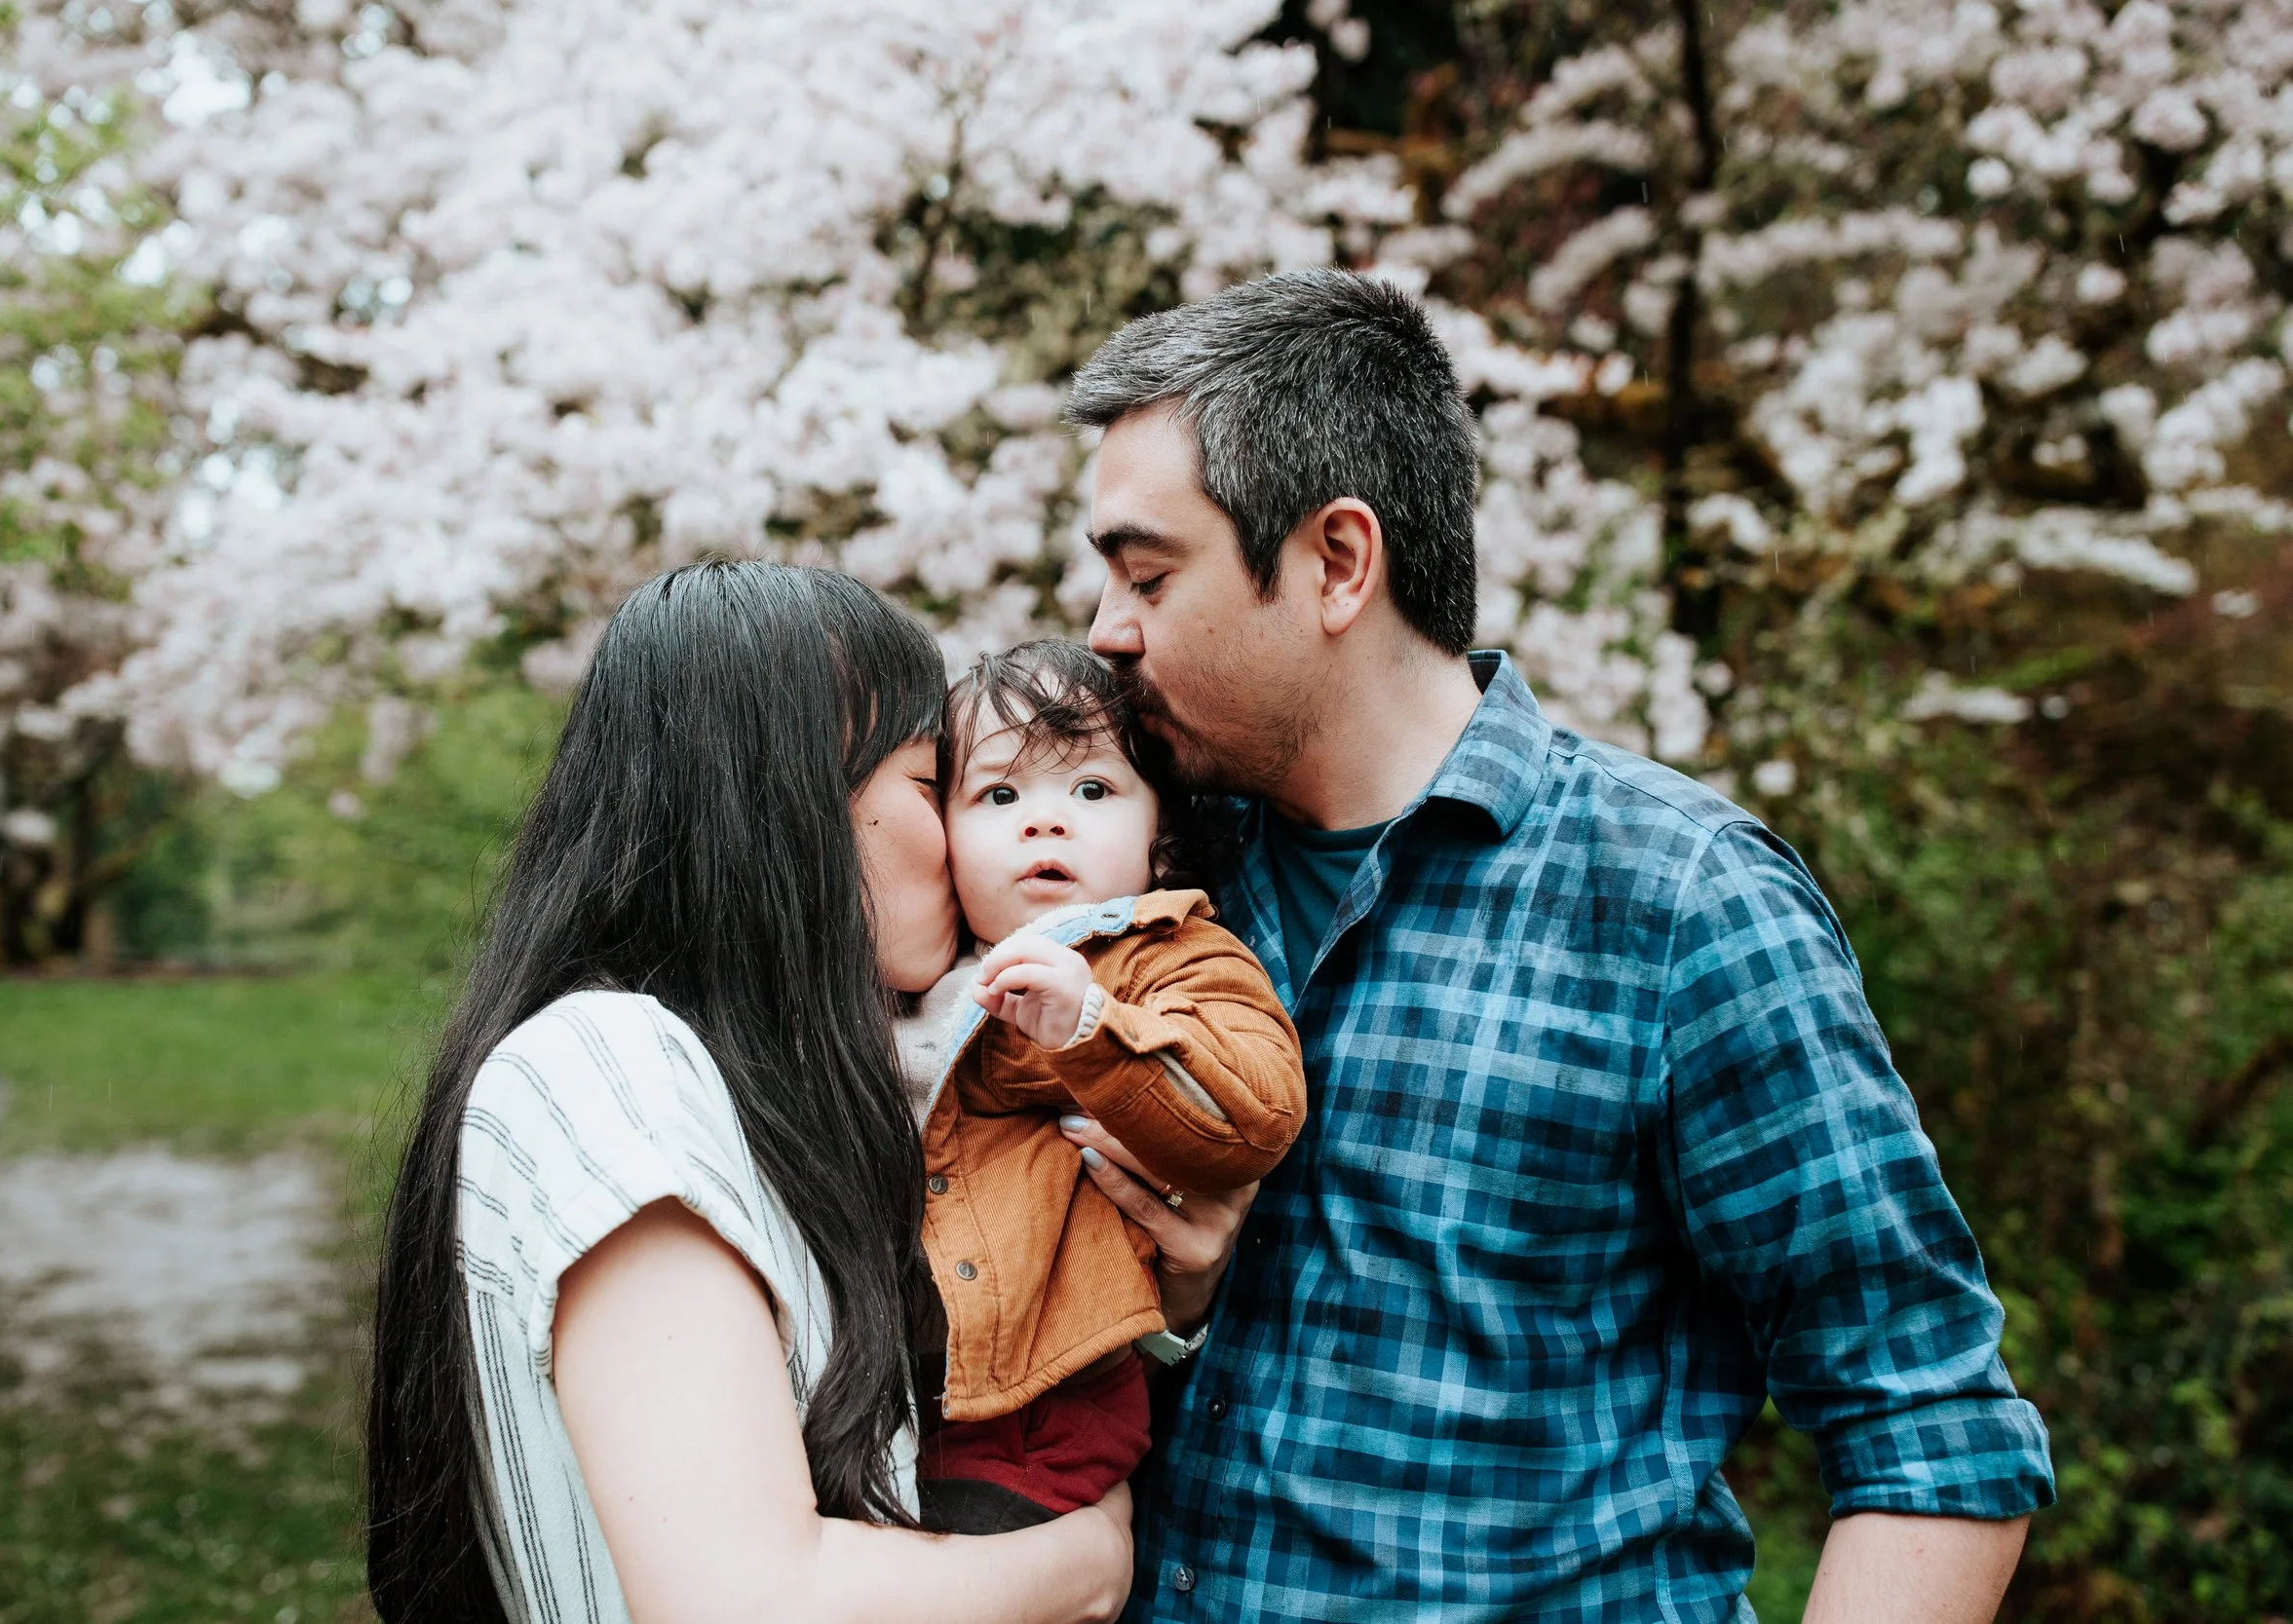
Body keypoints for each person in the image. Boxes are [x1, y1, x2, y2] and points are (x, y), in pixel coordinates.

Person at [1058, 270, 2058, 1622]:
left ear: (1339, 563)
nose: (1106, 628)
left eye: (1147, 574)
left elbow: (1930, 1425)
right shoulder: (1134, 872)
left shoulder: (1679, 900)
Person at [364, 563, 1142, 1624]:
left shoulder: (775, 1092)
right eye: (934, 784)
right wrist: (1084, 1567)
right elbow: (744, 1598)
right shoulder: (611, 1066)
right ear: (790, 803)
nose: (974, 838)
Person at [902, 641, 1306, 1535]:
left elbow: (1254, 1112)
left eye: (1091, 790)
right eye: (999, 795)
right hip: (889, 1398)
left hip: (1042, 1418)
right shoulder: (916, 968)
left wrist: (1092, 1027)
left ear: (1160, 842)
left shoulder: (1171, 954)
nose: (1045, 823)